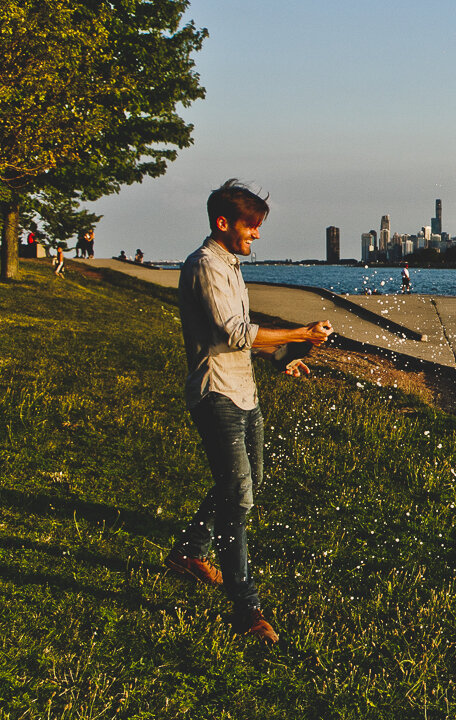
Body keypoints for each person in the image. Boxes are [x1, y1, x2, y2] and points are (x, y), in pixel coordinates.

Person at [166, 179, 334, 644]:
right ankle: (247, 608)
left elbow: (241, 340)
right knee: (238, 495)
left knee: (247, 481)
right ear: (224, 223)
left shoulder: (231, 266)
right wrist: (297, 332)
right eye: (250, 226)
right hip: (215, 393)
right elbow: (234, 331)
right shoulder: (204, 266)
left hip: (244, 391)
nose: (256, 235)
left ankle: (189, 551)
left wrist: (284, 356)